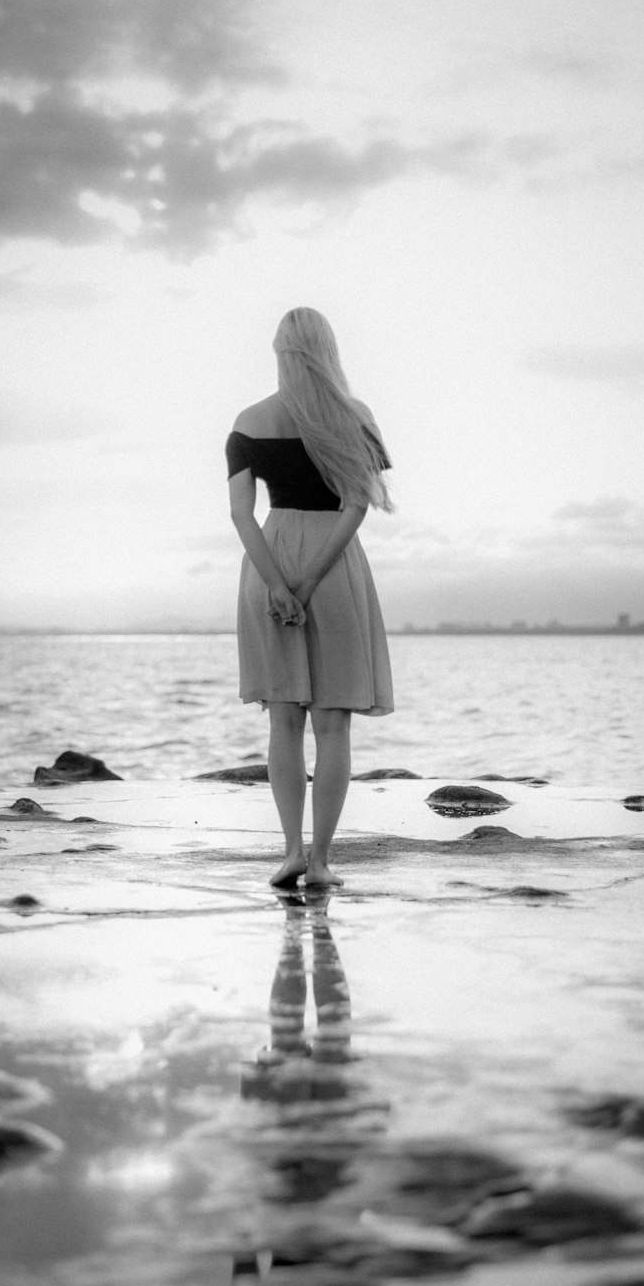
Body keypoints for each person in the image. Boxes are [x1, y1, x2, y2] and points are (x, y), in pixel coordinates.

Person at [227, 308, 394, 888]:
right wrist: (309, 582)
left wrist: (277, 583)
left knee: (282, 720)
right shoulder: (356, 417)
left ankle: (291, 853)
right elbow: (356, 507)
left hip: (269, 553)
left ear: (280, 352)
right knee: (333, 724)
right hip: (335, 564)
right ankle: (322, 863)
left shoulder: (251, 419)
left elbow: (240, 515)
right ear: (328, 351)